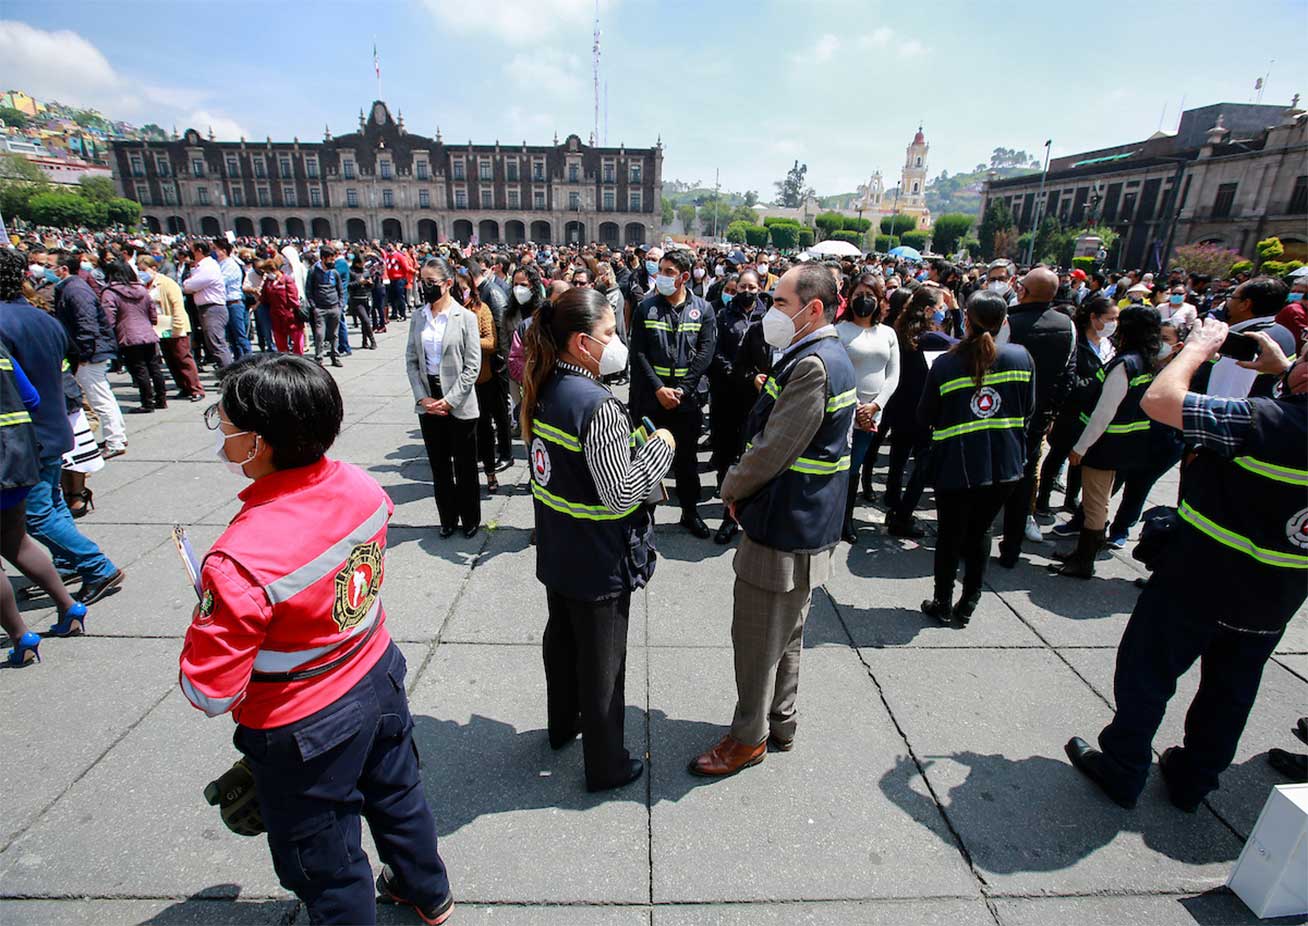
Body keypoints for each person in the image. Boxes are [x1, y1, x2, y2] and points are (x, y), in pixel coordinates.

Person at [180, 354, 454, 925]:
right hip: (376, 670)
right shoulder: (359, 484)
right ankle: (427, 891)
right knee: (400, 796)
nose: (221, 432)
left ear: (258, 444)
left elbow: (208, 691)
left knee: (324, 859)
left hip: (303, 721)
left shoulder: (241, 557)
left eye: (224, 421)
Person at [1066, 320, 1307, 812]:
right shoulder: (1279, 414)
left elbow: (1161, 401)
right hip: (1273, 597)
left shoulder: (1265, 421)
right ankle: (1194, 780)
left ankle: (1124, 765)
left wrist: (1197, 349)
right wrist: (1285, 371)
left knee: (1146, 672)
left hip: (1199, 577)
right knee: (1230, 692)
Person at [689, 264, 856, 778]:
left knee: (758, 641)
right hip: (806, 522)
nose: (769, 312)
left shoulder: (813, 365)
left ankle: (747, 738)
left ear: (814, 309)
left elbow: (772, 450)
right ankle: (781, 721)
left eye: (780, 303)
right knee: (787, 635)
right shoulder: (826, 355)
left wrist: (731, 487)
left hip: (784, 526)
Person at [520, 287, 674, 791]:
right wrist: (661, 448)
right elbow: (621, 492)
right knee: (604, 665)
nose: (616, 341)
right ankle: (605, 765)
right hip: (598, 558)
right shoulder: (597, 403)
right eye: (609, 333)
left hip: (560, 548)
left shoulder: (544, 385)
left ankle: (563, 725)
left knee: (562, 644)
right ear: (583, 343)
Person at [0, 248, 124, 609]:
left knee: (35, 516)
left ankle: (95, 565)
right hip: (54, 423)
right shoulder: (44, 317)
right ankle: (70, 561)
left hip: (24, 434)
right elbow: (70, 359)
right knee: (51, 505)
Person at [917, 291, 1035, 623]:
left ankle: (942, 602)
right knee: (980, 532)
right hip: (1004, 465)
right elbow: (1029, 409)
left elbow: (925, 415)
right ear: (1004, 323)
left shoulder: (945, 364)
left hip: (958, 464)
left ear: (965, 320)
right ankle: (969, 601)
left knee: (950, 534)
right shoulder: (1022, 358)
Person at [1053, 306, 1166, 578]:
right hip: (1125, 443)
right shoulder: (1147, 360)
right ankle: (1082, 552)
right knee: (1099, 500)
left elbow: (1103, 413)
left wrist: (1080, 447)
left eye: (1119, 321)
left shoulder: (1125, 364)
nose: (1114, 325)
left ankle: (1084, 561)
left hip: (1105, 445)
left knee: (1095, 503)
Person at [1, 341, 87, 665]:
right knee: (17, 541)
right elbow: (30, 398)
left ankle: (21, 636)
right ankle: (69, 606)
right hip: (17, 456)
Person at [628, 248, 717, 538]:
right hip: (652, 401)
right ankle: (646, 517)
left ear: (684, 277)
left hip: (687, 402)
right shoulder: (646, 308)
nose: (662, 276)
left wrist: (681, 389)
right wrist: (658, 388)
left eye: (669, 272)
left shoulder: (703, 309)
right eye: (661, 270)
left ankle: (690, 513)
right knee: (647, 459)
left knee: (687, 462)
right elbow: (638, 353)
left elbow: (705, 354)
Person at [996, 267, 1077, 566]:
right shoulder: (1067, 325)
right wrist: (1051, 410)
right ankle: (1011, 547)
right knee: (1025, 477)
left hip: (1004, 414)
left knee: (994, 476)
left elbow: (993, 365)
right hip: (1038, 415)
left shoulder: (1011, 322)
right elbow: (1069, 374)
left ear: (1023, 291)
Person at [404, 258, 482, 538]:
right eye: (421, 282)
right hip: (429, 400)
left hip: (458, 401)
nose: (424, 287)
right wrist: (422, 398)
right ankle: (447, 518)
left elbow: (473, 366)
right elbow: (412, 361)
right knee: (439, 466)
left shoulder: (466, 318)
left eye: (430, 283)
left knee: (464, 465)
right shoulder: (418, 318)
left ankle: (471, 518)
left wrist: (450, 400)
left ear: (448, 284)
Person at [882, 286, 953, 537]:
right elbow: (967, 343)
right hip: (923, 410)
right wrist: (956, 311)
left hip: (900, 405)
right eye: (941, 307)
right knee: (923, 464)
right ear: (928, 310)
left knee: (898, 458)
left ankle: (892, 502)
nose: (944, 311)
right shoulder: (934, 339)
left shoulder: (901, 331)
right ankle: (903, 515)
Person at [1036, 295, 1116, 516]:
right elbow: (1070, 380)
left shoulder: (1109, 345)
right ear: (1094, 318)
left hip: (1094, 413)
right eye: (1110, 318)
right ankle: (1042, 499)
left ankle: (1071, 498)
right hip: (1070, 412)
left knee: (1081, 458)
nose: (1113, 323)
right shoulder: (1077, 344)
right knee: (1058, 455)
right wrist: (1099, 380)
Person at [837, 272, 898, 542]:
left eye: (870, 296)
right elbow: (834, 372)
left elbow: (893, 375)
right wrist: (856, 406)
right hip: (844, 411)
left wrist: (874, 406)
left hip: (871, 416)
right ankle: (834, 517)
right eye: (859, 295)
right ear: (849, 298)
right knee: (839, 467)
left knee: (855, 468)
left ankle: (846, 519)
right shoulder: (838, 331)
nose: (864, 301)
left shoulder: (888, 333)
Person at [52, 253, 127, 457]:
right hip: (91, 350)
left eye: (51, 266)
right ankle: (117, 436)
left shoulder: (74, 290)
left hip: (90, 352)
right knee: (103, 396)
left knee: (99, 398)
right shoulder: (72, 288)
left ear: (63, 269)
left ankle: (115, 440)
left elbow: (87, 324)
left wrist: (84, 353)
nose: (49, 271)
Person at [99, 258, 166, 414]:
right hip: (148, 333)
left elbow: (109, 318)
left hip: (128, 335)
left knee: (139, 369)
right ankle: (161, 399)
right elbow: (152, 313)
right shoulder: (142, 290)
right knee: (154, 367)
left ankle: (147, 402)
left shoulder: (110, 293)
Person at [138, 255, 204, 402]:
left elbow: (177, 306)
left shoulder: (167, 283)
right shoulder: (145, 285)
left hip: (174, 325)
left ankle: (195, 388)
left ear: (154, 268)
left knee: (183, 358)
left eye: (144, 269)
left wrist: (177, 327)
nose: (141, 272)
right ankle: (183, 386)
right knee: (170, 359)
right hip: (159, 327)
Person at [183, 238, 234, 374]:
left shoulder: (208, 267)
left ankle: (228, 376)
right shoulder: (201, 266)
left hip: (213, 308)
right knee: (213, 343)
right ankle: (225, 374)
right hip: (207, 308)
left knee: (217, 343)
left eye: (192, 250)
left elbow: (190, 286)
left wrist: (189, 284)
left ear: (199, 251)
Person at [307, 245, 345, 368]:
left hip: (334, 307)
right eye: (330, 259)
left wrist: (340, 305)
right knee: (319, 334)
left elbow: (340, 289)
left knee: (334, 334)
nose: (333, 262)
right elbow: (309, 290)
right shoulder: (313, 271)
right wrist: (314, 306)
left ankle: (335, 356)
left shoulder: (334, 272)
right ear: (323, 258)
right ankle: (319, 358)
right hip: (320, 308)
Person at [214, 239, 252, 361]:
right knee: (232, 338)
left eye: (215, 249)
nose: (213, 252)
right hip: (226, 304)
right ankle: (239, 361)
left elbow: (220, 282)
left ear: (223, 251)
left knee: (240, 336)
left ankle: (250, 360)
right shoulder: (220, 264)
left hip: (234, 304)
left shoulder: (230, 265)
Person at [347, 257, 377, 350]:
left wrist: (370, 283)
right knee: (365, 320)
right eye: (360, 263)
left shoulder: (366, 271)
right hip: (356, 299)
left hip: (366, 297)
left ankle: (364, 341)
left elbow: (371, 286)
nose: (362, 265)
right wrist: (359, 283)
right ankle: (373, 340)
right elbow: (348, 285)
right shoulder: (351, 272)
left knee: (366, 321)